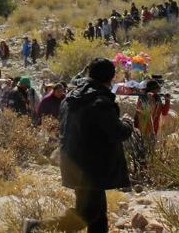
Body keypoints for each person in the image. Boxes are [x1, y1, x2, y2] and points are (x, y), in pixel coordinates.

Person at [24, 58, 133, 233]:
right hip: (92, 167)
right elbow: (117, 132)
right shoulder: (100, 101)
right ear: (110, 78)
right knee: (88, 214)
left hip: (73, 164)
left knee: (98, 214)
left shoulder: (71, 98)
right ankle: (36, 227)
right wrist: (127, 122)